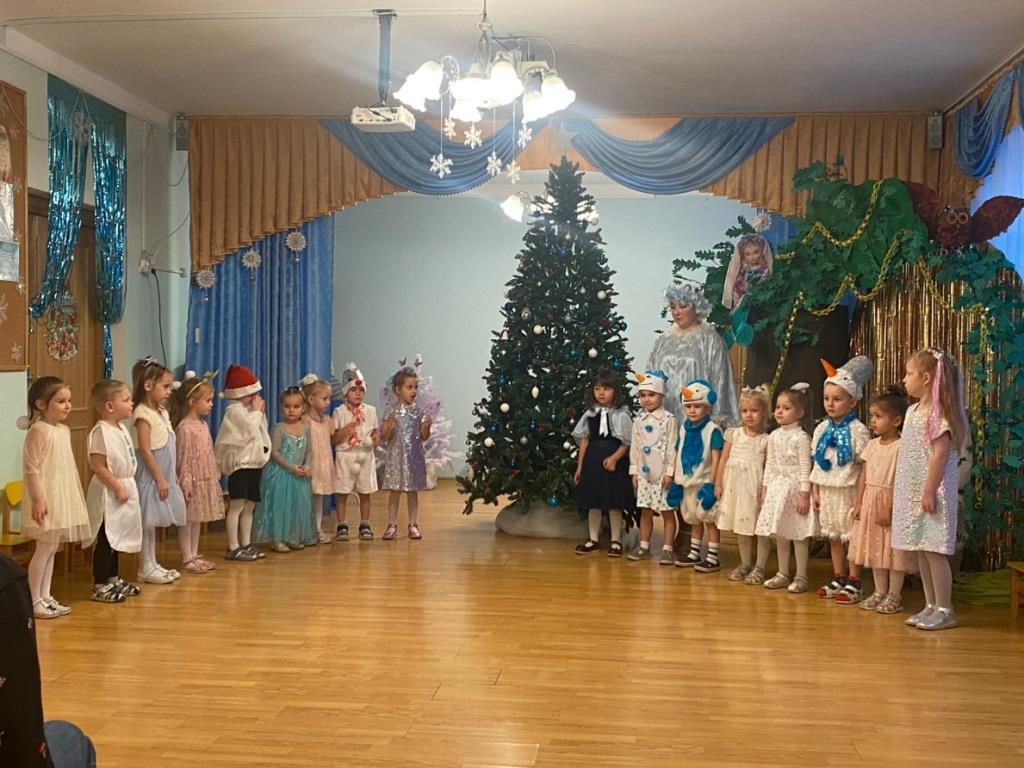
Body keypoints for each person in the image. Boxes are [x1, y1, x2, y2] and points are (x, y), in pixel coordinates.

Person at [894, 348, 969, 631]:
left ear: (926, 378)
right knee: (922, 550)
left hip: (933, 493)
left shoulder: (939, 415)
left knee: (935, 550)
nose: (904, 379)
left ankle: (945, 609)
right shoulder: (912, 411)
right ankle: (931, 604)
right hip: (914, 491)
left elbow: (939, 455)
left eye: (909, 373)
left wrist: (929, 491)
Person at [0, 554, 97, 767]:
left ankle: (43, 594)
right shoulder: (6, 580)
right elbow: (22, 725)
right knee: (71, 737)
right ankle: (39, 596)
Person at [19, 377, 90, 618]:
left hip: (60, 495)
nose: (68, 406)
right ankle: (34, 599)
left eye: (69, 400)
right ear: (41, 404)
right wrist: (39, 499)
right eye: (61, 401)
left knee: (52, 547)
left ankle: (46, 595)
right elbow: (31, 469)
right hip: (45, 496)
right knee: (45, 547)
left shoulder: (64, 430)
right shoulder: (38, 430)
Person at [811, 356, 874, 604]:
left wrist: (860, 499)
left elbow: (865, 466)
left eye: (837, 399)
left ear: (852, 401)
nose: (830, 404)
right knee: (833, 536)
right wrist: (815, 491)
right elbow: (817, 462)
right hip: (828, 490)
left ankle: (854, 580)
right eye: (827, 398)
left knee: (851, 537)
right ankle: (838, 576)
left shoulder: (858, 430)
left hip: (848, 490)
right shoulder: (821, 429)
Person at [849, 386, 912, 615]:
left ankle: (894, 594)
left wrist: (890, 506)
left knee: (893, 552)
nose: (873, 421)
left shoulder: (901, 446)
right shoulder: (872, 445)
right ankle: (879, 591)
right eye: (872, 416)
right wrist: (859, 502)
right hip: (870, 501)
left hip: (890, 502)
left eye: (878, 416)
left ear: (896, 420)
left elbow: (901, 479)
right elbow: (864, 476)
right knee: (875, 548)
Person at [646, 282, 739, 428]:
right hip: (664, 421)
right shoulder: (662, 341)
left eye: (683, 306)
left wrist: (717, 419)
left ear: (697, 308)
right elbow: (651, 378)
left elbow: (721, 382)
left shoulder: (710, 340)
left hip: (698, 421)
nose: (676, 312)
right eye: (673, 307)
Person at [753, 383, 817, 592]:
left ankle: (801, 576)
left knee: (797, 534)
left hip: (794, 489)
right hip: (777, 488)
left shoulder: (801, 437)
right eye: (778, 407)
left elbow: (805, 467)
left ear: (800, 412)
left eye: (786, 408)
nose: (779, 411)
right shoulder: (773, 436)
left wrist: (804, 494)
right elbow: (770, 464)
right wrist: (765, 489)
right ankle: (782, 573)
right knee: (780, 533)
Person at [85, 379, 142, 603]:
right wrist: (117, 486)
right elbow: (98, 465)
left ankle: (113, 578)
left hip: (124, 486)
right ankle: (100, 584)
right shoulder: (101, 431)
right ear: (110, 406)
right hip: (108, 491)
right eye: (126, 400)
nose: (131, 403)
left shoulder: (121, 428)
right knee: (106, 537)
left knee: (117, 536)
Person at [131, 358, 187, 584]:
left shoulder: (161, 411)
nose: (169, 391)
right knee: (147, 522)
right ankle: (144, 566)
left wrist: (170, 476)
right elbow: (145, 450)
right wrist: (159, 478)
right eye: (165, 386)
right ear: (148, 385)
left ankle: (152, 563)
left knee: (152, 523)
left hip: (164, 473)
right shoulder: (142, 414)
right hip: (151, 476)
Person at [572, 370, 634, 557]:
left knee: (614, 503)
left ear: (615, 391)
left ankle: (616, 541)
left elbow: (627, 442)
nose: (601, 393)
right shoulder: (590, 413)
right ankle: (593, 540)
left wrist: (614, 458)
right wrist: (580, 466)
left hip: (615, 462)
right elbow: (584, 440)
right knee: (594, 502)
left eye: (606, 389)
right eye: (597, 388)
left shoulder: (622, 414)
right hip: (593, 461)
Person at [214, 364, 272, 561]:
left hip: (254, 464)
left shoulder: (249, 410)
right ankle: (233, 546)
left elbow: (260, 431)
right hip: (240, 466)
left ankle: (246, 543)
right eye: (251, 393)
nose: (255, 397)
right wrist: (256, 413)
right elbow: (248, 430)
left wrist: (258, 413)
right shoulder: (234, 411)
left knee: (250, 506)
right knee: (237, 505)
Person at [715, 385, 771, 580]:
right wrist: (718, 483)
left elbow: (768, 466)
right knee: (741, 528)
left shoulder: (766, 439)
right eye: (745, 411)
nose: (749, 415)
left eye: (754, 411)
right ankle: (745, 563)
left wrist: (765, 491)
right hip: (735, 488)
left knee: (760, 529)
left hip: (755, 489)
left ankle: (760, 567)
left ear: (764, 413)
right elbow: (723, 459)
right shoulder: (734, 434)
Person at [668, 380, 725, 572]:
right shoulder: (684, 428)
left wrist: (712, 484)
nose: (692, 410)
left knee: (709, 519)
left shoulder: (713, 430)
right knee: (693, 518)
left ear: (707, 408)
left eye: (698, 406)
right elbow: (678, 452)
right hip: (688, 482)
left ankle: (713, 557)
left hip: (704, 482)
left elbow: (716, 459)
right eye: (689, 406)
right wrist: (675, 479)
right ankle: (694, 553)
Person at [172, 371, 224, 573]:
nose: (211, 404)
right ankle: (187, 557)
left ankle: (194, 554)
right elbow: (183, 458)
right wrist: (185, 483)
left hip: (204, 478)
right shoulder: (185, 428)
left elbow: (208, 451)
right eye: (208, 400)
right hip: (191, 481)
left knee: (197, 518)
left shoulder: (202, 424)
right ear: (192, 402)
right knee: (188, 520)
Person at [253, 387, 315, 551]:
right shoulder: (279, 428)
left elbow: (309, 451)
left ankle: (292, 536)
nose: (291, 410)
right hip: (281, 474)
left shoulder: (306, 429)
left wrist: (307, 465)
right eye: (287, 406)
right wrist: (290, 467)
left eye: (296, 406)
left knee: (296, 506)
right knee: (281, 506)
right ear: (282, 407)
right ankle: (278, 538)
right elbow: (274, 452)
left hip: (299, 475)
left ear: (303, 408)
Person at [626, 370, 678, 564]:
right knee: (645, 510)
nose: (646, 399)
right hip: (645, 475)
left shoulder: (669, 419)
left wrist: (670, 472)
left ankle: (667, 549)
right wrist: (634, 471)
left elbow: (672, 447)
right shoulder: (639, 421)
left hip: (662, 475)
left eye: (651, 395)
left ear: (661, 395)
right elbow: (635, 448)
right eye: (643, 395)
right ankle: (644, 546)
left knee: (667, 512)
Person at [380, 366, 432, 540]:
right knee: (394, 492)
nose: (414, 391)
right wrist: (389, 428)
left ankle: (413, 524)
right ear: (398, 390)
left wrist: (426, 427)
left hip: (413, 458)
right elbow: (384, 437)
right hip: (396, 459)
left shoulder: (418, 412)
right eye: (409, 387)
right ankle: (392, 524)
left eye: (415, 387)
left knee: (412, 492)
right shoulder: (391, 412)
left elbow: (423, 437)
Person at [332, 363, 379, 541]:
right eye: (353, 390)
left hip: (365, 455)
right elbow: (334, 438)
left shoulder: (371, 411)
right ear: (346, 392)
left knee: (365, 491)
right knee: (342, 492)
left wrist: (376, 439)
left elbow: (375, 432)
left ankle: (365, 523)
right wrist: (344, 432)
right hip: (345, 456)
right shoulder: (339, 412)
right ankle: (342, 524)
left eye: (360, 390)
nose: (358, 393)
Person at [301, 374, 336, 544]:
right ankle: (303, 530)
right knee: (305, 498)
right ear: (311, 399)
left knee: (318, 499)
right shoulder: (305, 421)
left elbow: (333, 438)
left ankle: (316, 529)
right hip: (311, 464)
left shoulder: (327, 421)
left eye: (329, 398)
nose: (328, 402)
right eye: (325, 398)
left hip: (323, 464)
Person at [722, 233, 773, 310]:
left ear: (762, 251)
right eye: (748, 254)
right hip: (744, 305)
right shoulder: (743, 272)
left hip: (761, 303)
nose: (752, 257)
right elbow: (737, 287)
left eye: (756, 252)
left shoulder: (765, 270)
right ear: (743, 255)